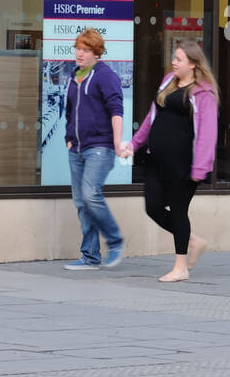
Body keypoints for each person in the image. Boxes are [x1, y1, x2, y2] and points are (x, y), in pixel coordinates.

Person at [124, 43, 219, 283]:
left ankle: (181, 267)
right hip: (156, 159)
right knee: (153, 207)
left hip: (183, 163)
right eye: (174, 58)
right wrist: (134, 145)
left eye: (179, 59)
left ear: (193, 64)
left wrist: (200, 168)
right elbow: (150, 117)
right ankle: (192, 241)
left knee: (178, 211)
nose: (174, 62)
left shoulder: (203, 93)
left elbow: (208, 133)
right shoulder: (168, 81)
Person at [63, 29, 127, 270]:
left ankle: (115, 240)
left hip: (99, 147)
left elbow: (116, 110)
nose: (80, 53)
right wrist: (68, 139)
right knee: (81, 202)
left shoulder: (105, 75)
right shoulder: (74, 75)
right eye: (78, 48)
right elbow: (70, 110)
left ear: (96, 53)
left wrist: (117, 142)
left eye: (86, 50)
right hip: (76, 148)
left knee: (90, 195)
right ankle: (90, 257)